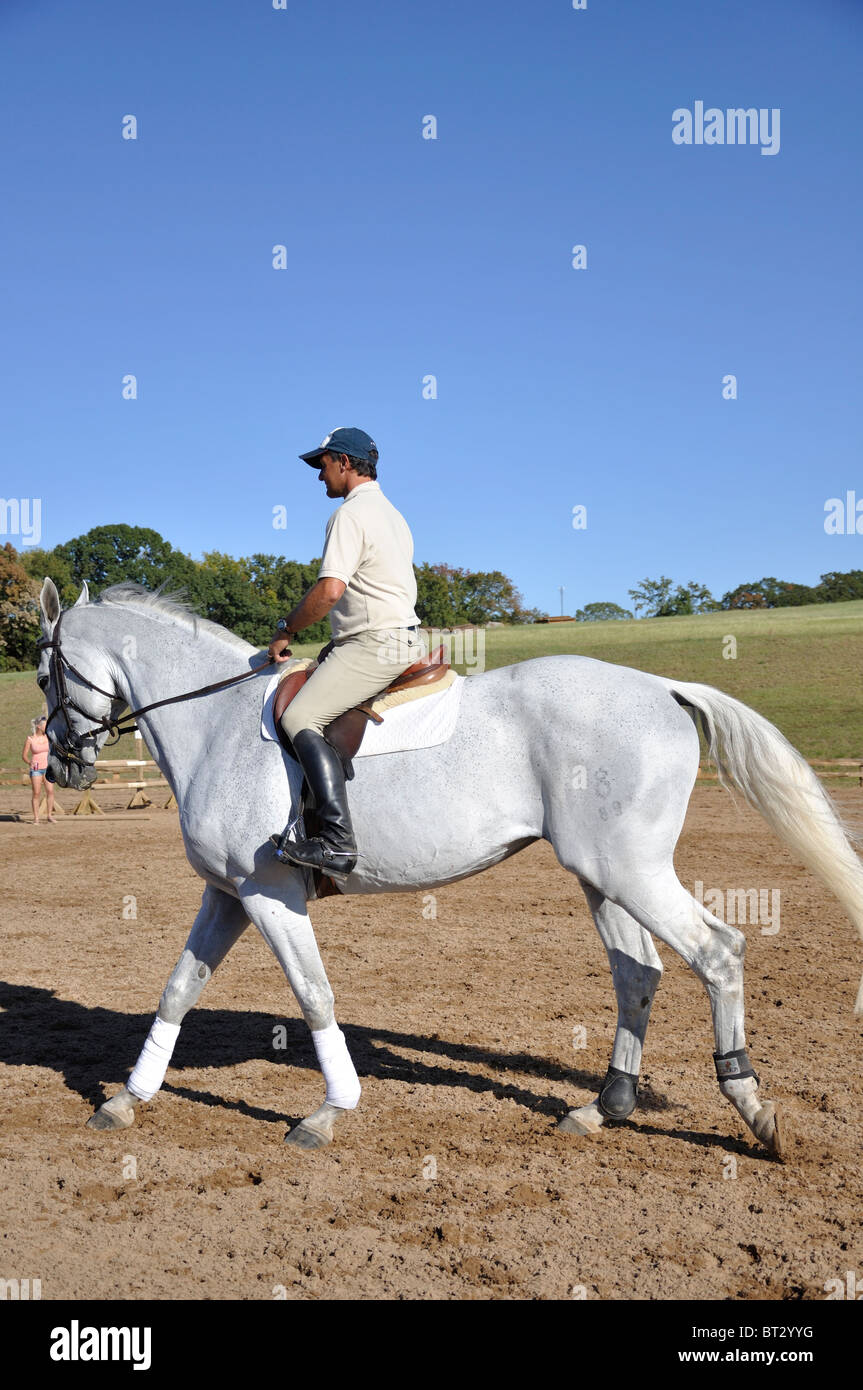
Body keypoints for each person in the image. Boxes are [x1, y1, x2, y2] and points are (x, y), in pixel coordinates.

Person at [267, 427, 424, 877]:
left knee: (299, 717)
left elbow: (330, 591)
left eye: (323, 466)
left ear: (344, 462)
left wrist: (285, 629)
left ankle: (336, 842)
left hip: (375, 643)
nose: (320, 476)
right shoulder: (393, 515)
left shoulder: (349, 514)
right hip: (390, 635)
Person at [22, 715, 55, 824]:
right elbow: (24, 755)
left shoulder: (49, 737)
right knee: (36, 793)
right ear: (39, 727)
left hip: (48, 769)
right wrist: (29, 762)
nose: (47, 727)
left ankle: (49, 815)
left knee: (50, 791)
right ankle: (36, 818)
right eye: (45, 725)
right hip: (36, 769)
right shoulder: (30, 739)